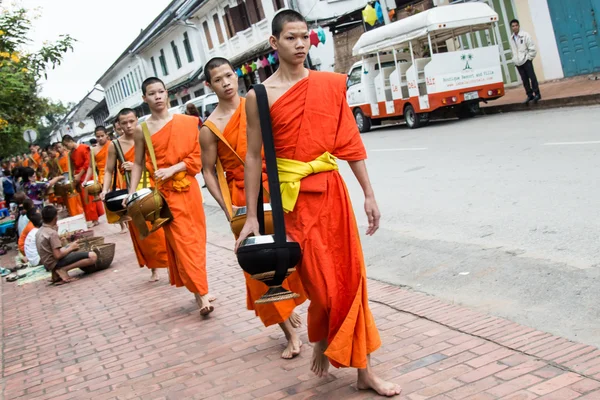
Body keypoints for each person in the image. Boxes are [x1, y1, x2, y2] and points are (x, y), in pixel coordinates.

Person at [236, 10, 401, 397]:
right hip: (292, 204)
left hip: (332, 195)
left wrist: (369, 194)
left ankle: (364, 372)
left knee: (350, 282)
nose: (300, 45)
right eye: (291, 38)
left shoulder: (328, 85)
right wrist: (251, 218)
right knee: (323, 290)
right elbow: (253, 157)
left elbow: (349, 144)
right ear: (274, 44)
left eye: (305, 37)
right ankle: (322, 338)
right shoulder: (258, 96)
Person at [200, 57, 306, 359]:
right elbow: (208, 170)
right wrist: (226, 208)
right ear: (210, 85)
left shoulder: (259, 103)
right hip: (242, 197)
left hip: (275, 182)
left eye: (229, 76)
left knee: (293, 252)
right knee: (258, 267)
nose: (226, 83)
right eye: (218, 79)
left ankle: (289, 305)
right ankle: (289, 332)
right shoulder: (210, 128)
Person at [127, 77, 214, 315]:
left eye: (160, 92)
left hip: (188, 189)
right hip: (165, 195)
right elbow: (136, 164)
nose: (157, 97)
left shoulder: (187, 122)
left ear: (167, 94)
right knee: (181, 241)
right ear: (144, 98)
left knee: (195, 240)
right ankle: (203, 295)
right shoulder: (141, 130)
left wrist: (174, 168)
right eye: (151, 93)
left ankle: (199, 287)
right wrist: (131, 192)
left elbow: (198, 155)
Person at [101, 109, 170, 282]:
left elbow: (159, 161)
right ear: (118, 125)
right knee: (143, 232)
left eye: (132, 121)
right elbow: (108, 170)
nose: (129, 126)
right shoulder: (115, 145)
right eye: (124, 123)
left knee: (161, 230)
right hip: (131, 192)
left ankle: (169, 265)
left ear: (137, 119)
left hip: (152, 186)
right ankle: (153, 267)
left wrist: (139, 165)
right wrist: (105, 189)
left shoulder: (148, 135)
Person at [37, 205, 97, 284]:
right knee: (93, 256)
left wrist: (68, 246)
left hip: (47, 263)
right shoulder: (51, 233)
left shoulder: (40, 231)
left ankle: (56, 273)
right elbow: (57, 255)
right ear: (55, 218)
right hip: (54, 263)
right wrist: (71, 248)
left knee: (71, 246)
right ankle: (63, 269)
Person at [85, 126, 128, 233]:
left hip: (116, 174)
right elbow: (91, 166)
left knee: (121, 198)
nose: (100, 138)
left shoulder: (113, 144)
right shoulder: (93, 150)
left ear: (107, 135)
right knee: (110, 200)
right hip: (104, 177)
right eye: (97, 136)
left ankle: (128, 221)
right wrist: (86, 180)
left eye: (102, 136)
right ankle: (122, 225)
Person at [62, 135, 102, 226]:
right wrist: (72, 176)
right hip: (78, 176)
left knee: (89, 197)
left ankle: (94, 219)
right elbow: (72, 166)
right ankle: (91, 218)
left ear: (71, 141)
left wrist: (80, 175)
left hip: (86, 174)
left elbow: (88, 163)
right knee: (84, 199)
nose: (66, 147)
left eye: (66, 145)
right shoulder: (71, 153)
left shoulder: (84, 148)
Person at [510, 19, 540, 104]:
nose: (515, 27)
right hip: (518, 62)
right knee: (524, 80)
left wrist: (529, 58)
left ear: (519, 26)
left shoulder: (525, 35)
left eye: (516, 25)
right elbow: (513, 50)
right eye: (513, 26)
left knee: (532, 77)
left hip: (526, 60)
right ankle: (529, 95)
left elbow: (532, 48)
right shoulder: (511, 38)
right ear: (511, 28)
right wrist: (514, 60)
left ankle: (537, 94)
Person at [54, 142, 84, 217]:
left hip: (73, 178)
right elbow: (57, 170)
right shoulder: (57, 160)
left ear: (64, 146)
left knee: (77, 196)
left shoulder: (69, 154)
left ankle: (81, 213)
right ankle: (73, 214)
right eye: (57, 148)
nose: (59, 149)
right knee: (69, 199)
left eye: (60, 147)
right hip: (65, 180)